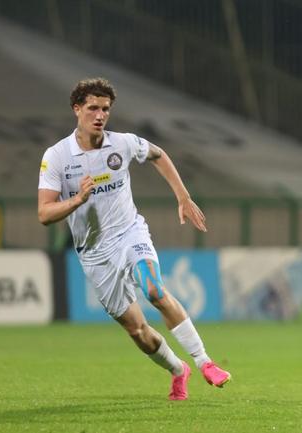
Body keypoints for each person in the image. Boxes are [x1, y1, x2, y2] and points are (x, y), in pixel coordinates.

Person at [38, 78, 231, 400]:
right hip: (94, 254)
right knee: (138, 331)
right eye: (92, 108)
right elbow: (44, 214)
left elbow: (158, 155)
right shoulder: (57, 156)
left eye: (105, 109)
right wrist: (76, 201)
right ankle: (177, 369)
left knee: (154, 290)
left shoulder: (123, 143)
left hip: (130, 233)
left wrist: (183, 197)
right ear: (77, 109)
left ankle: (205, 362)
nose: (99, 115)